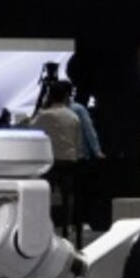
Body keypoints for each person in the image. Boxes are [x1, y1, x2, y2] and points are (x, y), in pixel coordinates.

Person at [30, 66, 105, 237]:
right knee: (69, 195)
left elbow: (32, 130)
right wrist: (90, 152)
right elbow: (82, 136)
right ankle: (69, 226)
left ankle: (45, 225)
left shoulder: (44, 114)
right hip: (70, 161)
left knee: (46, 193)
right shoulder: (74, 114)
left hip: (50, 161)